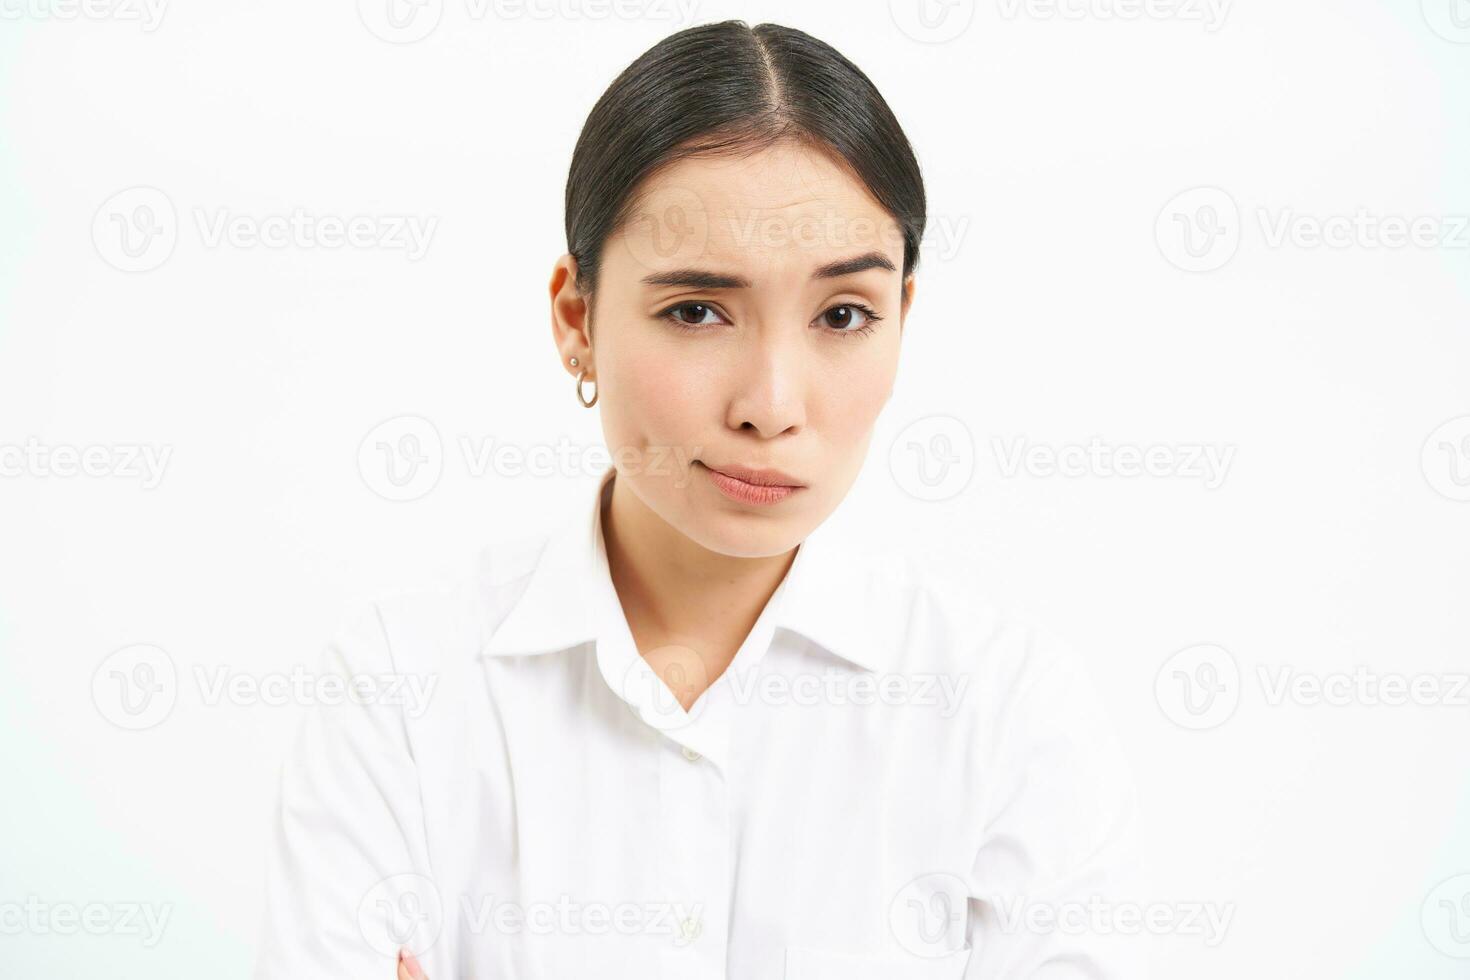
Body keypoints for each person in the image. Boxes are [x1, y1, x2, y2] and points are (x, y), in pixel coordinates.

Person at [255, 19, 1137, 980]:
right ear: (576, 320)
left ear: (901, 321)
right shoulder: (401, 689)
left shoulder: (1005, 711)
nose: (770, 405)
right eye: (696, 311)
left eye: (843, 315)